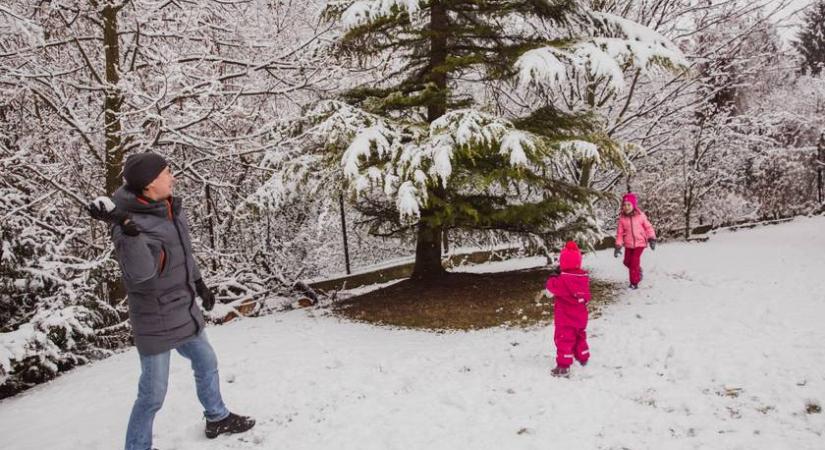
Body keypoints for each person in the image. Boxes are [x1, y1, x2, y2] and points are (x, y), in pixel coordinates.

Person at [87, 152, 255, 450]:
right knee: (152, 395)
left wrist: (199, 282)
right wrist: (127, 229)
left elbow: (182, 253)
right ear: (150, 184)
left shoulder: (167, 208)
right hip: (156, 319)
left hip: (183, 308)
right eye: (167, 172)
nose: (173, 176)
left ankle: (217, 417)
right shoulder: (130, 225)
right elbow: (141, 273)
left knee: (206, 361)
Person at [546, 241, 591, 378]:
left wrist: (553, 276)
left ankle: (564, 366)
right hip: (581, 317)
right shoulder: (583, 278)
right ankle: (583, 356)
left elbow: (550, 287)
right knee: (579, 336)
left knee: (564, 340)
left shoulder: (562, 281)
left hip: (565, 318)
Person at [614, 192, 657, 289]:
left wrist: (652, 238)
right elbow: (620, 234)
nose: (626, 207)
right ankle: (638, 271)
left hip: (640, 243)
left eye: (629, 204)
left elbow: (648, 227)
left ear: (633, 205)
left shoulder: (640, 216)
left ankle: (634, 282)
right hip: (628, 244)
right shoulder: (622, 219)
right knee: (626, 262)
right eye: (624, 205)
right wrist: (618, 246)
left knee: (634, 262)